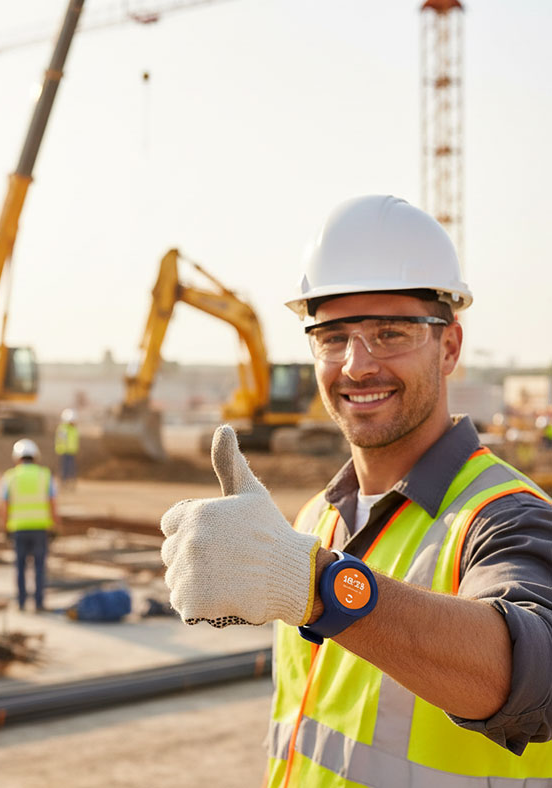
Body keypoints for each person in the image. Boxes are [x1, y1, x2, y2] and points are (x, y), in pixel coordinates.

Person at [160, 195, 552, 786]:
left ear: (449, 348)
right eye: (333, 336)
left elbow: (532, 675)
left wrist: (319, 585)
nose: (356, 365)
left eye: (391, 333)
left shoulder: (505, 516)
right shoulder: (316, 518)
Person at [0, 438, 60, 612]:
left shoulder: (10, 477)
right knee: (40, 567)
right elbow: (53, 503)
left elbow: (3, 505)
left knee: (20, 567)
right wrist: (55, 526)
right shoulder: (45, 475)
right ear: (36, 457)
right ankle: (39, 603)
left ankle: (21, 602)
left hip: (18, 528)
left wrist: (3, 526)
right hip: (40, 529)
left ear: (17, 458)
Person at [55, 408, 79, 486]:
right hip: (64, 451)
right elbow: (60, 440)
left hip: (71, 451)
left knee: (71, 468)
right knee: (64, 468)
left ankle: (70, 481)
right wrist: (60, 449)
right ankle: (63, 481)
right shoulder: (63, 429)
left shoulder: (74, 429)